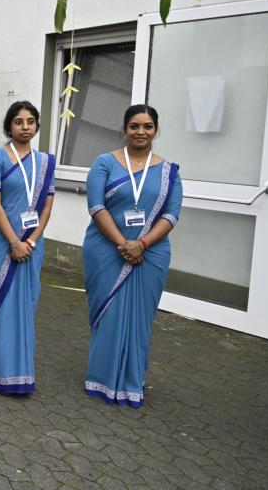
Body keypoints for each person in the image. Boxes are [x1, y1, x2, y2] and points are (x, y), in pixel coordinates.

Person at [83, 104, 182, 408]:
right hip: (106, 250)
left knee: (140, 319)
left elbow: (171, 214)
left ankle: (130, 383)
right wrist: (123, 243)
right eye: (134, 126)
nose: (141, 132)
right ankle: (101, 379)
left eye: (147, 126)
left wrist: (142, 244)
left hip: (151, 253)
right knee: (109, 314)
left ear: (156, 130)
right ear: (124, 129)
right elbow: (96, 206)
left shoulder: (168, 171)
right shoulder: (105, 163)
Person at [0, 101, 55, 395]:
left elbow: (47, 207)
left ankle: (21, 374)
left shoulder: (45, 162)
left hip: (32, 244)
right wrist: (14, 242)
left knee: (25, 306)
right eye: (19, 122)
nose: (25, 127)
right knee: (2, 306)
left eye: (31, 121)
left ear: (37, 126)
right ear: (9, 126)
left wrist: (30, 241)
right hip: (1, 243)